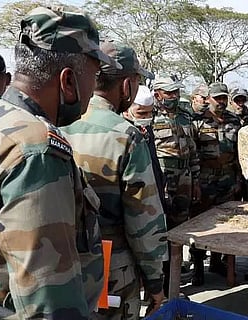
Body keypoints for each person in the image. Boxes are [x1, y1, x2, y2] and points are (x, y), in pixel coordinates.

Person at [0, 6, 121, 319]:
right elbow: (48, 300)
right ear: (68, 81)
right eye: (93, 77)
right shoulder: (37, 148)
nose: (92, 90)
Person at [62, 42, 168, 319]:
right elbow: (143, 221)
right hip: (113, 269)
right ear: (126, 85)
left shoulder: (57, 123)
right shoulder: (126, 135)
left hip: (62, 264)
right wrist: (155, 283)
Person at [152, 75, 200, 295]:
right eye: (169, 92)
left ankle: (174, 283)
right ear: (157, 94)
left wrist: (196, 180)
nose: (174, 96)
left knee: (179, 230)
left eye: (176, 92)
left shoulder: (185, 116)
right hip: (161, 180)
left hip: (184, 179)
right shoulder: (148, 116)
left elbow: (193, 151)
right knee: (159, 233)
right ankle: (158, 284)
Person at [191, 82, 242, 285]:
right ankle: (198, 267)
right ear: (208, 98)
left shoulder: (233, 120)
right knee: (200, 225)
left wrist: (239, 179)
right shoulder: (197, 121)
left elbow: (240, 151)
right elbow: (192, 152)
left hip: (228, 180)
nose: (220, 102)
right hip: (205, 180)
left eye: (223, 98)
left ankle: (217, 261)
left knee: (226, 225)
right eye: (217, 98)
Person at [124, 85, 166, 208]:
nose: (147, 117)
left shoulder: (147, 130)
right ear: (127, 110)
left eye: (150, 113)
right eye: (142, 113)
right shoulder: (123, 133)